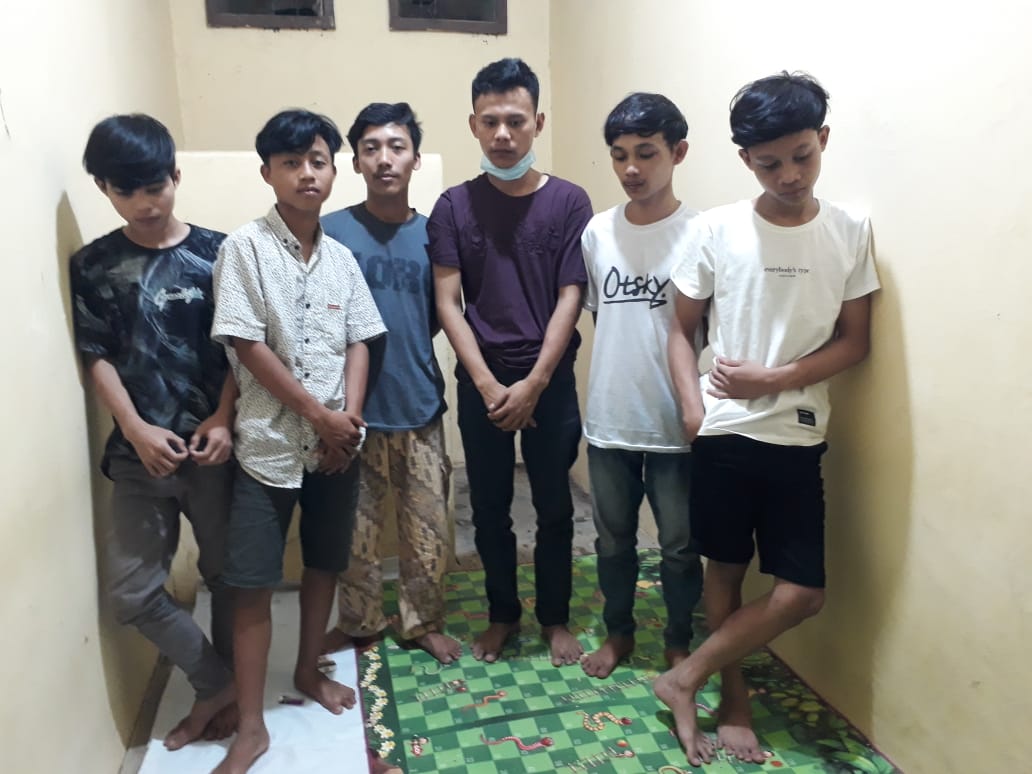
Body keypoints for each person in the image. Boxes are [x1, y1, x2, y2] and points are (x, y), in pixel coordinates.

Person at [655, 72, 880, 766]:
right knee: (725, 571)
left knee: (802, 591)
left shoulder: (849, 232)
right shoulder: (716, 229)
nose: (789, 175)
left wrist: (775, 379)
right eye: (769, 163)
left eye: (801, 156)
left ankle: (684, 677)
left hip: (799, 432)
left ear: (823, 140)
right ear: (746, 160)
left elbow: (855, 342)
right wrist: (692, 408)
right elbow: (679, 330)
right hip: (725, 433)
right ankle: (735, 700)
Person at [210, 109, 386, 774]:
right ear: (268, 173)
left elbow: (361, 340)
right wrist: (319, 414)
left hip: (337, 449)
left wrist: (351, 420)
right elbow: (246, 344)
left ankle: (309, 671)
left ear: (334, 170)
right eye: (291, 163)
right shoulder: (244, 248)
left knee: (323, 564)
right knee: (252, 583)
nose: (306, 173)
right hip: (267, 448)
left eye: (317, 161)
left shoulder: (342, 259)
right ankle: (252, 726)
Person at [70, 114, 237, 750]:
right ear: (103, 188)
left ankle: (230, 694)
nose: (144, 202)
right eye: (126, 190)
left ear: (176, 176)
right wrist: (135, 429)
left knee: (229, 579)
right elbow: (95, 355)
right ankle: (216, 683)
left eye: (155, 186)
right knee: (133, 593)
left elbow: (243, 347)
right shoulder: (94, 265)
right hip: (138, 457)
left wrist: (223, 418)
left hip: (215, 451)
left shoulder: (221, 254)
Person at [429, 57, 592, 666]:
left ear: (537, 123)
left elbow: (571, 296)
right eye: (490, 121)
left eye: (516, 121)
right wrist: (488, 383)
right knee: (488, 507)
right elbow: (448, 301)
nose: (503, 134)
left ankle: (555, 617)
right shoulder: (453, 206)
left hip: (549, 382)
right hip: (483, 383)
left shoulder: (570, 202)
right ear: (473, 124)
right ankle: (503, 614)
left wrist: (535, 383)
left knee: (555, 505)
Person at [321, 102, 461, 664]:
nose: (385, 159)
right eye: (371, 148)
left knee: (426, 530)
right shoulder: (331, 231)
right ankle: (360, 623)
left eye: (397, 147)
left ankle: (421, 621)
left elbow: (438, 315)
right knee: (353, 534)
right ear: (355, 162)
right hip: (349, 413)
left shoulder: (434, 235)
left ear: (415, 159)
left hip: (418, 404)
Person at [579, 93, 704, 680]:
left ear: (678, 152)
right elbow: (602, 317)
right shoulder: (597, 232)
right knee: (612, 541)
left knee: (679, 545)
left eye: (646, 153)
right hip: (610, 417)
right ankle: (618, 634)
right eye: (620, 155)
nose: (631, 168)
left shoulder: (702, 232)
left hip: (677, 420)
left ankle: (679, 640)